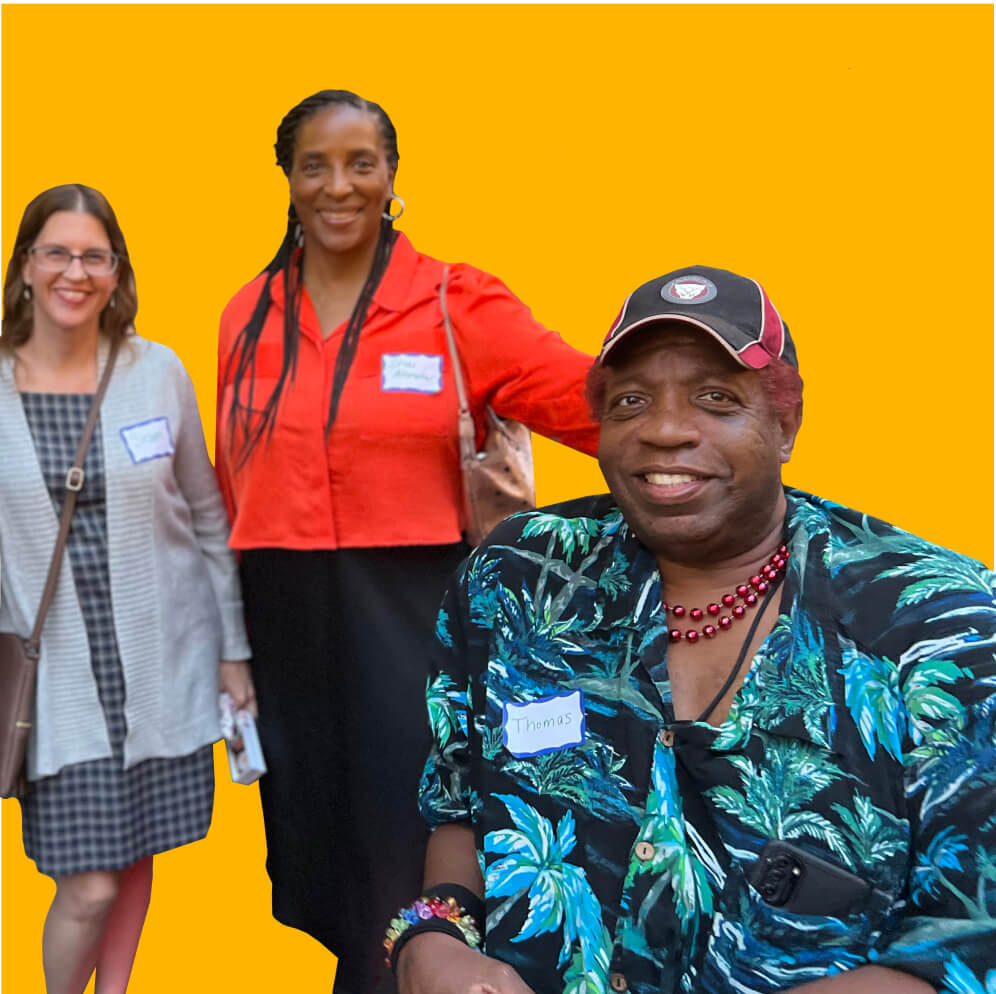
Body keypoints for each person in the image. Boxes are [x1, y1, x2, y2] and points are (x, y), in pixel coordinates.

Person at [399, 266, 996, 994]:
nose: (666, 429)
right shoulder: (516, 583)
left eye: (717, 399)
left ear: (785, 423)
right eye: (631, 401)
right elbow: (459, 809)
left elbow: (973, 933)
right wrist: (431, 939)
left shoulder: (939, 626)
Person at [214, 89, 600, 994]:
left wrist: (687, 411)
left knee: (410, 822)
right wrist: (225, 639)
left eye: (362, 163)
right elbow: (233, 477)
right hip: (283, 613)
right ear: (288, 179)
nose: (339, 185)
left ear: (392, 177)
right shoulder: (248, 312)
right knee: (319, 831)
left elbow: (588, 398)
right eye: (316, 163)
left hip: (413, 607)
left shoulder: (451, 301)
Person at [0, 184, 254, 994]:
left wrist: (233, 653)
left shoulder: (157, 372)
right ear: (27, 267)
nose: (76, 271)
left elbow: (209, 519)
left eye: (94, 255)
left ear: (117, 272)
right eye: (57, 252)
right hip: (55, 680)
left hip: (161, 662)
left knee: (138, 845)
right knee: (90, 880)